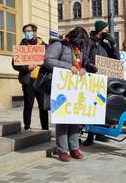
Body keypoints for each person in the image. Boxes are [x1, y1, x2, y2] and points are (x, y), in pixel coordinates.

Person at [43, 27, 88, 162]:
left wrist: (83, 70)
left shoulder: (76, 49)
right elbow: (48, 60)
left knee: (74, 118)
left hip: (73, 88)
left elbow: (80, 65)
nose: (80, 46)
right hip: (60, 87)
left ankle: (74, 147)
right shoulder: (58, 45)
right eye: (80, 42)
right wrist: (68, 67)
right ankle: (62, 149)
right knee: (63, 119)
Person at [82, 20, 120, 146]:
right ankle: (90, 135)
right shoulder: (89, 41)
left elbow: (116, 59)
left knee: (102, 106)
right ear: (99, 30)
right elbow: (85, 57)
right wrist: (90, 65)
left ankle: (100, 133)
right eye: (105, 30)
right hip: (92, 77)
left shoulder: (105, 44)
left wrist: (113, 44)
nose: (107, 32)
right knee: (92, 106)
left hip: (104, 78)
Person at [12, 24, 49, 130]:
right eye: (25, 32)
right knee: (28, 105)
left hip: (41, 81)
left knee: (43, 106)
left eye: (28, 31)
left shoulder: (44, 47)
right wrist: (27, 68)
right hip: (28, 81)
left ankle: (45, 128)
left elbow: (50, 61)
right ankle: (27, 126)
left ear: (35, 32)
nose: (26, 33)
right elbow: (15, 64)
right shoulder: (21, 47)